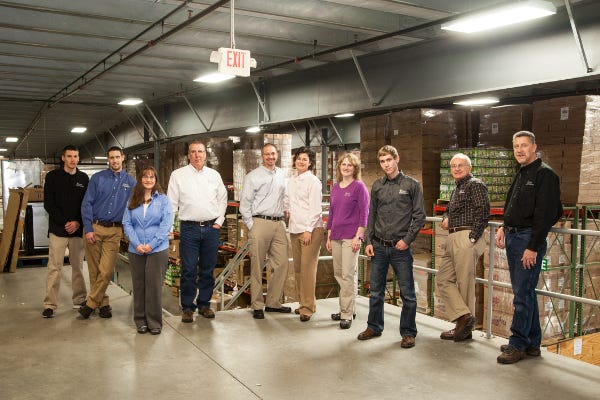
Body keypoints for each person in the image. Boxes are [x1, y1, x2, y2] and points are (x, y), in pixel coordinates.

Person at [494, 131, 562, 364]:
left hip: (527, 240)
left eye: (524, 145)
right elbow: (515, 205)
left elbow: (547, 215)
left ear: (535, 147)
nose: (520, 150)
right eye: (516, 146)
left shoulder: (545, 175)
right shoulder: (522, 172)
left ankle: (518, 343)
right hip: (514, 236)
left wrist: (532, 247)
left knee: (521, 295)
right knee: (524, 293)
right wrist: (505, 225)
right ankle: (532, 342)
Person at [357, 145, 425, 348]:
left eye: (389, 160)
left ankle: (408, 332)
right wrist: (368, 242)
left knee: (407, 293)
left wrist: (407, 240)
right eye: (382, 161)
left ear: (397, 159)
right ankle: (374, 326)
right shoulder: (377, 186)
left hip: (400, 248)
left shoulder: (412, 185)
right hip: (378, 246)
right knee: (376, 291)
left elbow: (419, 216)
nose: (386, 164)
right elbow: (372, 216)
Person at [168, 141, 227, 323]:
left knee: (208, 270)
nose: (197, 155)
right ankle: (187, 307)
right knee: (189, 269)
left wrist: (219, 221)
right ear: (188, 155)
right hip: (189, 229)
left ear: (205, 154)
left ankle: (204, 304)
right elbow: (171, 204)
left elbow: (222, 199)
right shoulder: (178, 175)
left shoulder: (214, 175)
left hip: (211, 229)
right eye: (193, 152)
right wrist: (169, 228)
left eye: (200, 151)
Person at [436, 153, 489, 341]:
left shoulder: (475, 184)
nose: (456, 168)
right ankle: (464, 317)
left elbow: (483, 211)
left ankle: (463, 329)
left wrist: (473, 238)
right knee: (443, 280)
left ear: (470, 168)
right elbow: (448, 211)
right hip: (452, 236)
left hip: (466, 237)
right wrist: (445, 218)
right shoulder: (456, 188)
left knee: (465, 284)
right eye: (453, 166)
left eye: (461, 165)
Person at [79, 146, 136, 319]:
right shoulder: (97, 178)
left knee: (106, 271)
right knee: (94, 270)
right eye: (111, 158)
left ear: (123, 158)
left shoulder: (130, 182)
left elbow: (133, 206)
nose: (115, 160)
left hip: (114, 230)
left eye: (117, 157)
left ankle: (90, 304)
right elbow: (86, 204)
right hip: (94, 228)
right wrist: (88, 229)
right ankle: (103, 304)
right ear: (108, 160)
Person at [240, 143, 291, 320]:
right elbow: (244, 203)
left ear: (277, 155)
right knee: (257, 266)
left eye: (273, 154)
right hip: (259, 222)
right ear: (262, 156)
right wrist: (251, 225)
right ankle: (257, 305)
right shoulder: (252, 177)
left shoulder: (283, 175)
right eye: (267, 154)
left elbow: (286, 197)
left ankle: (273, 302)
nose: (270, 157)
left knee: (282, 263)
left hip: (279, 224)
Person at [122, 166, 173, 335]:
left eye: (152, 177)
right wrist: (136, 244)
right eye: (145, 176)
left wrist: (151, 244)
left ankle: (154, 322)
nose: (149, 180)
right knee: (139, 286)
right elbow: (127, 223)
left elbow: (166, 225)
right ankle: (140, 321)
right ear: (140, 179)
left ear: (156, 180)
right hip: (136, 249)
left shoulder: (163, 200)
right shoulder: (132, 199)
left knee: (154, 287)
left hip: (157, 249)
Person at [41, 145, 89, 318]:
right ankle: (50, 304)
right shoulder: (52, 177)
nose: (72, 159)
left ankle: (79, 299)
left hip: (77, 230)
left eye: (75, 156)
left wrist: (77, 222)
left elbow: (86, 204)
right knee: (55, 267)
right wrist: (65, 222)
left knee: (78, 266)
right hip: (58, 230)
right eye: (69, 156)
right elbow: (49, 204)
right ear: (63, 158)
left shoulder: (83, 178)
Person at [325, 153, 369, 329]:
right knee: (339, 273)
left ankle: (346, 314)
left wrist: (359, 236)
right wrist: (328, 236)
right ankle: (350, 308)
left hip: (351, 236)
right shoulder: (335, 188)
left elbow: (364, 213)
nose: (346, 167)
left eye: (350, 165)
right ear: (339, 167)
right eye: (343, 164)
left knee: (348, 275)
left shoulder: (359, 187)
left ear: (355, 168)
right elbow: (332, 213)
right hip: (335, 235)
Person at [288, 147, 324, 322]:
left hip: (310, 230)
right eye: (299, 159)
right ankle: (304, 303)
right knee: (298, 270)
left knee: (308, 270)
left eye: (305, 159)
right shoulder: (292, 180)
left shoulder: (313, 181)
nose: (301, 162)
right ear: (295, 161)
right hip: (294, 228)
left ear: (310, 163)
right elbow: (289, 202)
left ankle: (307, 308)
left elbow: (316, 209)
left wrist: (309, 230)